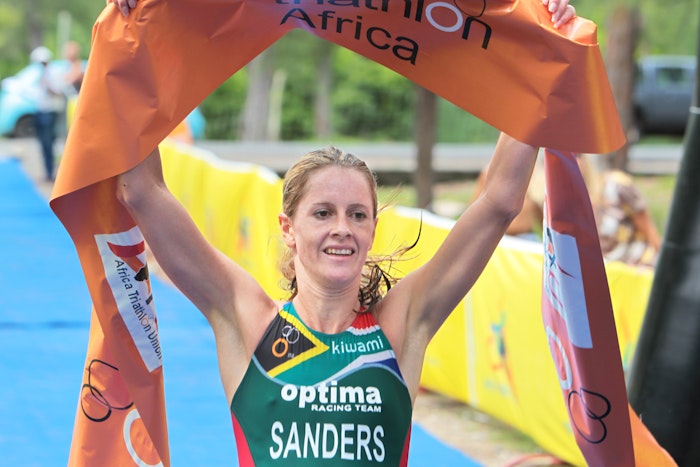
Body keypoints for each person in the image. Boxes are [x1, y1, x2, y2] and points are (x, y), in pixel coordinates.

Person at [111, 0, 576, 464]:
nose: (342, 229)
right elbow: (143, 193)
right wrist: (133, 43)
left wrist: (540, 58)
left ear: (373, 230)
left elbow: (499, 203)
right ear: (288, 229)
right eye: (322, 213)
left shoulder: (401, 326)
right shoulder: (248, 320)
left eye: (357, 215)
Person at [578, 155, 661, 267]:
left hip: (639, 267)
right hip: (603, 273)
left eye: (577, 155)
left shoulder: (615, 185)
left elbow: (650, 232)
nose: (575, 162)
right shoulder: (560, 208)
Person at [30, 46, 66, 182]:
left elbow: (59, 91)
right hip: (39, 111)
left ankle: (51, 172)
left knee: (49, 143)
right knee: (42, 144)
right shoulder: (36, 75)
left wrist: (48, 85)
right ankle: (47, 171)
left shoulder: (53, 73)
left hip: (49, 112)